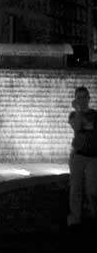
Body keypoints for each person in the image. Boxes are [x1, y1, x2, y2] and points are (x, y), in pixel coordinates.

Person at [68, 86, 97, 230]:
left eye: (84, 97)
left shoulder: (95, 114)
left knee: (92, 189)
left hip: (93, 157)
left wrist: (86, 123)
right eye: (78, 97)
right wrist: (79, 112)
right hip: (77, 156)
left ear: (89, 98)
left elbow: (91, 126)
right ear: (75, 99)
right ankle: (75, 219)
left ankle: (92, 212)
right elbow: (78, 126)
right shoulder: (73, 115)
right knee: (75, 188)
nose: (82, 100)